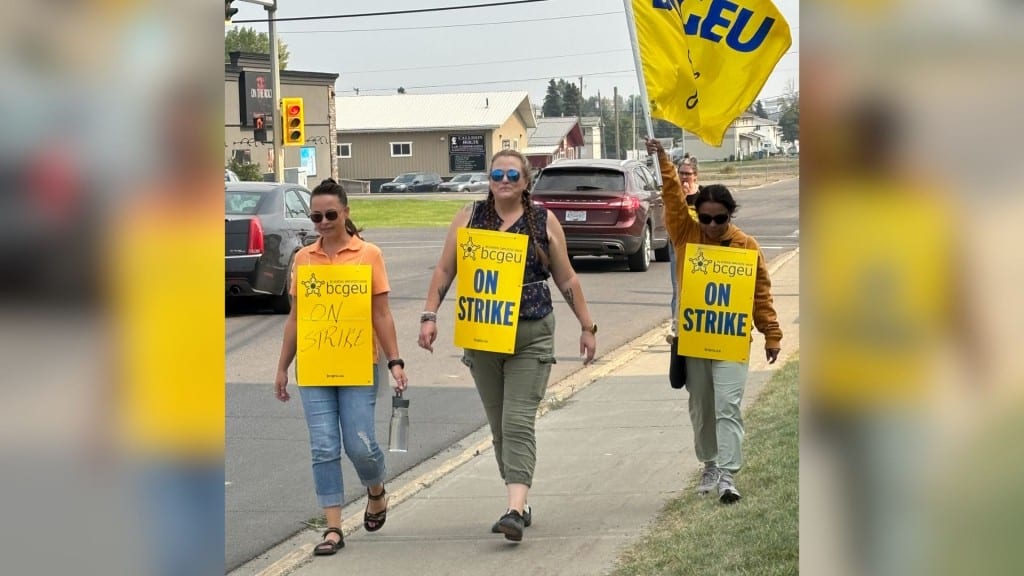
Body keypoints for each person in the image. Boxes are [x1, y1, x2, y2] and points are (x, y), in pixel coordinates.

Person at [417, 149, 597, 542]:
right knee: (500, 426)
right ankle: (520, 498)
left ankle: (514, 510)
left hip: (531, 334)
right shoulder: (469, 217)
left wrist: (587, 326)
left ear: (526, 181)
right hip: (482, 335)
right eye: (497, 174)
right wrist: (430, 315)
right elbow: (446, 268)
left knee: (517, 421)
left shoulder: (543, 221)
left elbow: (567, 278)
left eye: (512, 175)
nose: (503, 180)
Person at [274, 178, 409, 556]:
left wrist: (395, 359)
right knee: (323, 446)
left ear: (346, 213)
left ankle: (376, 490)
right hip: (315, 366)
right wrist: (283, 366)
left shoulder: (369, 255)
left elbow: (381, 314)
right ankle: (333, 527)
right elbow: (296, 319)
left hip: (357, 364)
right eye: (315, 215)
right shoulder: (303, 259)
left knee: (359, 444)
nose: (323, 221)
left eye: (331, 214)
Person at [646, 138, 782, 503]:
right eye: (704, 217)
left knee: (728, 405)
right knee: (702, 405)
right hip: (694, 339)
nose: (710, 225)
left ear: (729, 215)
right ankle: (709, 463)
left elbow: (760, 295)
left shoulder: (747, 246)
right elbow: (674, 201)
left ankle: (728, 475)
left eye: (719, 219)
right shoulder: (685, 234)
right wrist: (663, 160)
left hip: (732, 340)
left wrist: (771, 334)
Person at [667, 155, 700, 344]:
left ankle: (695, 329)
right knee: (678, 289)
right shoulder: (674, 196)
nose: (684, 177)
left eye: (688, 173)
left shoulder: (703, 195)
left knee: (697, 289)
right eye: (681, 173)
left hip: (699, 249)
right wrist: (683, 198)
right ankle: (676, 329)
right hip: (678, 249)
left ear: (696, 176)